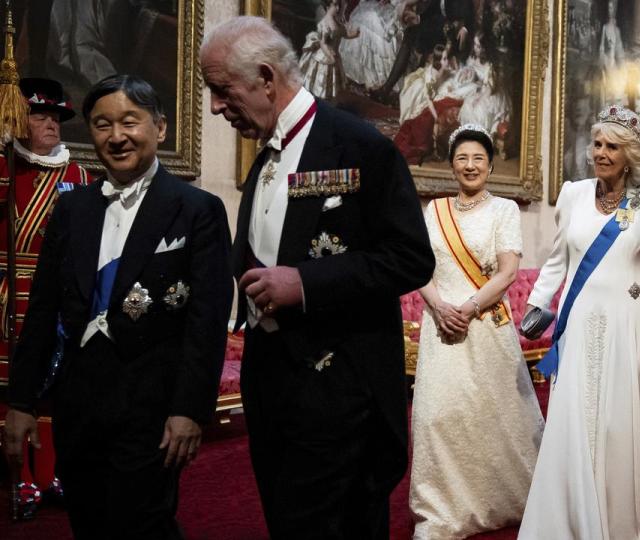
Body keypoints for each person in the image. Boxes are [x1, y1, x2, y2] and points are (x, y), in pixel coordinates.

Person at [200, 17, 434, 538]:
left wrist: (305, 284)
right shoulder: (264, 153)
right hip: (274, 386)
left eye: (222, 90)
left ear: (265, 77)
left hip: (340, 389)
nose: (216, 107)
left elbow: (411, 258)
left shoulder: (360, 147)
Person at [3, 74, 233, 538]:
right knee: (89, 522)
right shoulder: (72, 209)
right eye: (102, 125)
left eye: (130, 121)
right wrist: (21, 402)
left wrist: (190, 409)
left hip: (153, 405)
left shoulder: (197, 208)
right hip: (79, 403)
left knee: (143, 523)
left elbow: (206, 321)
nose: (116, 136)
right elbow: (43, 309)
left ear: (160, 128)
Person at [519, 105, 640, 539]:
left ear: (628, 153)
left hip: (629, 321)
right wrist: (539, 302)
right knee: (576, 415)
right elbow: (558, 260)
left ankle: (621, 517)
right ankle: (570, 517)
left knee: (619, 422)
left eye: (612, 146)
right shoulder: (573, 193)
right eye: (597, 143)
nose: (602, 153)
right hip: (580, 321)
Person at [409, 124, 543, 539]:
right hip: (440, 323)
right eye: (463, 159)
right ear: (452, 165)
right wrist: (437, 304)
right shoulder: (435, 211)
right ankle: (442, 509)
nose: (470, 166)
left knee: (495, 414)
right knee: (437, 416)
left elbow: (507, 273)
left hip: (483, 323)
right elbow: (419, 268)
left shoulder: (504, 210)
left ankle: (507, 499)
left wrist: (466, 308)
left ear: (489, 164)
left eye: (478, 159)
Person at [0, 77, 89, 519]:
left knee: (54, 388)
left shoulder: (84, 178)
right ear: (18, 120)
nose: (51, 124)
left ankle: (49, 474)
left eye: (56, 117)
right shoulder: (3, 170)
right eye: (40, 115)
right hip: (4, 301)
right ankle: (17, 479)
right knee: (9, 391)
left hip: (57, 302)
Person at [299, 0, 360, 100]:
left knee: (331, 82)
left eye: (338, 5)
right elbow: (323, 43)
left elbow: (344, 34)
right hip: (325, 58)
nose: (337, 8)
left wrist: (355, 34)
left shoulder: (337, 22)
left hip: (334, 56)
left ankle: (327, 99)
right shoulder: (325, 23)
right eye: (334, 5)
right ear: (327, 7)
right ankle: (317, 99)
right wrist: (329, 54)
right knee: (321, 81)